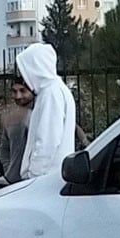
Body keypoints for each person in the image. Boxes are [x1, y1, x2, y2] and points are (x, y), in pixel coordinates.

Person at [16, 43, 77, 180]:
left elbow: (47, 140)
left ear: (35, 68)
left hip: (45, 177)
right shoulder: (54, 90)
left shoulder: (50, 93)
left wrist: (35, 175)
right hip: (52, 174)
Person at [0, 77, 34, 185]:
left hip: (37, 178)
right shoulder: (11, 116)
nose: (18, 96)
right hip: (14, 180)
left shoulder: (45, 111)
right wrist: (9, 169)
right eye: (14, 91)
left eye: (23, 91)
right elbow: (4, 148)